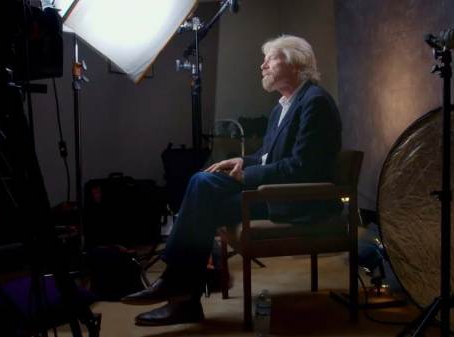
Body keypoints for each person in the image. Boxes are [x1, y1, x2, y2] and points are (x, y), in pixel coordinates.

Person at [121, 34, 342, 326]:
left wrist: (247, 175)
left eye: (270, 58)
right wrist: (242, 161)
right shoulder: (282, 106)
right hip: (272, 190)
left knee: (203, 193)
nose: (262, 65)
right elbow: (267, 156)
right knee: (202, 183)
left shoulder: (315, 102)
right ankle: (181, 294)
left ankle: (179, 291)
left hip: (297, 199)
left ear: (296, 63)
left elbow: (302, 168)